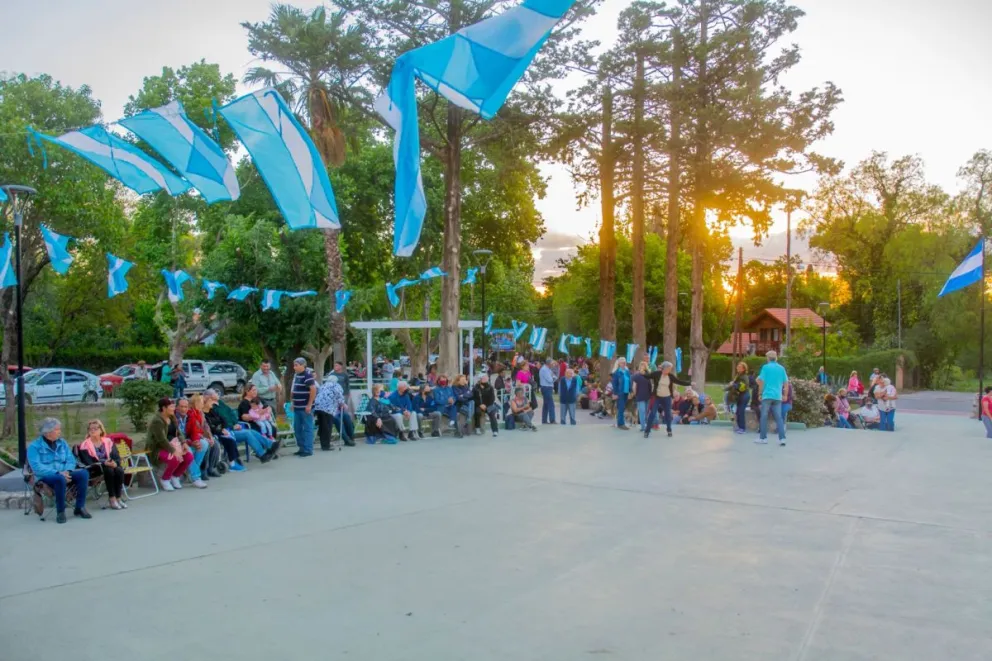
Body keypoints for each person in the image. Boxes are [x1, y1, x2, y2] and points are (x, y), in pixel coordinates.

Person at [27, 418, 91, 523]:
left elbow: (71, 459)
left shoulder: (62, 443)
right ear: (48, 432)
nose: (60, 431)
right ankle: (60, 511)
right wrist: (57, 473)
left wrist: (67, 471)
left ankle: (80, 507)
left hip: (64, 472)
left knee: (83, 474)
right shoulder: (34, 447)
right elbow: (37, 467)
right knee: (59, 479)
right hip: (46, 475)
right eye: (57, 429)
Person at [146, 397, 201, 491]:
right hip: (157, 448)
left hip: (174, 445)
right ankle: (165, 479)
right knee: (174, 458)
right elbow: (161, 440)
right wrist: (174, 451)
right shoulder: (157, 421)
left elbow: (178, 432)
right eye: (171, 407)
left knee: (189, 456)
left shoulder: (172, 417)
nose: (173, 409)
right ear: (164, 408)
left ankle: (175, 476)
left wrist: (184, 443)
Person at [77, 420, 126, 510]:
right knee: (109, 470)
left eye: (95, 428)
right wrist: (103, 463)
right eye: (90, 429)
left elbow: (116, 456)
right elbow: (88, 462)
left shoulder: (108, 442)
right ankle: (112, 498)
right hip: (95, 469)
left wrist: (115, 463)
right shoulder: (84, 445)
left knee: (119, 470)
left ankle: (118, 498)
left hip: (110, 465)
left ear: (101, 430)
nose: (92, 431)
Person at [203, 389, 247, 472]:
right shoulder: (204, 414)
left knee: (230, 438)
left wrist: (223, 428)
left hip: (220, 430)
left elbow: (223, 419)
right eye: (211, 402)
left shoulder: (212, 411)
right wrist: (220, 431)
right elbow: (209, 427)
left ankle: (234, 460)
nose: (213, 404)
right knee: (229, 440)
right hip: (213, 433)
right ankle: (232, 463)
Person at [644, 361, 691, 438]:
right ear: (664, 368)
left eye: (670, 369)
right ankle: (647, 431)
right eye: (669, 368)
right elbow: (647, 376)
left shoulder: (670, 376)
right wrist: (642, 372)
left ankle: (669, 430)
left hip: (667, 397)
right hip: (657, 397)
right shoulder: (657, 374)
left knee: (668, 414)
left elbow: (679, 381)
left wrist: (689, 383)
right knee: (652, 413)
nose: (670, 370)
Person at [236, 384, 279, 460]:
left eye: (256, 390)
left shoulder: (258, 399)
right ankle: (266, 450)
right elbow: (244, 417)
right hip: (251, 423)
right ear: (247, 391)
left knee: (272, 428)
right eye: (253, 390)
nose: (255, 392)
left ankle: (270, 450)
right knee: (260, 429)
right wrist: (258, 414)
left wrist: (268, 410)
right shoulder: (244, 403)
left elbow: (268, 407)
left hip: (261, 420)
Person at [175, 398, 211, 486]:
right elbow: (174, 434)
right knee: (189, 451)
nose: (184, 409)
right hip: (177, 442)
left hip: (188, 440)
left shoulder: (190, 415)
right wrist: (188, 442)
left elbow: (194, 430)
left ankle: (192, 472)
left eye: (186, 407)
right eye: (181, 407)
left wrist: (196, 441)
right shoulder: (173, 416)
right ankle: (196, 477)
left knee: (204, 444)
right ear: (177, 407)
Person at [314, 374, 356, 449]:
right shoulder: (336, 385)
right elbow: (340, 397)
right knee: (328, 427)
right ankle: (327, 446)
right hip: (328, 409)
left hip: (318, 408)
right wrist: (343, 404)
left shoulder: (323, 386)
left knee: (323, 426)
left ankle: (324, 445)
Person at [756, 350, 788, 446]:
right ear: (776, 358)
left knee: (764, 417)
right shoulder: (781, 368)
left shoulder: (765, 367)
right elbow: (786, 383)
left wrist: (760, 393)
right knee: (779, 417)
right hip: (777, 396)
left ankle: (763, 438)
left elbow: (760, 381)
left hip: (767, 395)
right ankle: (782, 438)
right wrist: (785, 395)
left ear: (768, 358)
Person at [187, 394, 222, 478]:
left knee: (215, 444)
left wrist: (210, 437)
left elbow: (206, 427)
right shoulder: (191, 414)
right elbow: (194, 430)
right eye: (202, 402)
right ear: (196, 403)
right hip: (192, 437)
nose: (203, 404)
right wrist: (205, 438)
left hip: (200, 436)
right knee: (206, 445)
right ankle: (203, 470)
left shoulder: (200, 413)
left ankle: (211, 467)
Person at [290, 357, 317, 457]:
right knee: (297, 428)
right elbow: (295, 390)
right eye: (294, 365)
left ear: (303, 365)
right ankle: (301, 447)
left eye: (296, 365)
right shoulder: (297, 375)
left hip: (305, 407)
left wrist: (309, 404)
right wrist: (293, 403)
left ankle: (308, 449)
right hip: (297, 407)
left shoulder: (307, 375)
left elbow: (313, 390)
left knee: (307, 428)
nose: (294, 367)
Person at [728, 362, 751, 434]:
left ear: (744, 369)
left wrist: (733, 384)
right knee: (738, 412)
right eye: (738, 366)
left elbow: (742, 387)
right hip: (741, 395)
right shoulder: (739, 375)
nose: (738, 367)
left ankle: (742, 428)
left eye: (740, 367)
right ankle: (739, 427)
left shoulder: (744, 376)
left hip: (744, 396)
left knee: (740, 412)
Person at [610, 357, 632, 430]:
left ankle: (620, 423)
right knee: (621, 408)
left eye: (625, 362)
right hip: (620, 393)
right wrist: (615, 394)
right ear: (619, 363)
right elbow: (614, 384)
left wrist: (630, 391)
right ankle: (621, 424)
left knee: (622, 408)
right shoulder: (616, 373)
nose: (624, 363)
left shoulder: (627, 371)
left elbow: (629, 382)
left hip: (626, 392)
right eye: (622, 362)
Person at [452, 374, 475, 438]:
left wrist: (463, 395)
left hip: (466, 404)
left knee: (472, 402)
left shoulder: (465, 386)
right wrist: (466, 395)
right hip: (459, 405)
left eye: (464, 380)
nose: (464, 381)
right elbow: (459, 398)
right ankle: (469, 419)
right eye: (462, 380)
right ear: (458, 381)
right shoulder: (454, 387)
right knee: (470, 409)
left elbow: (471, 394)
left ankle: (469, 418)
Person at [631, 363, 652, 432]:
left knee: (645, 412)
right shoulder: (636, 376)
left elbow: (650, 386)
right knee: (642, 411)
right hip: (640, 396)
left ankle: (645, 425)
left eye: (643, 366)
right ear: (639, 367)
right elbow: (634, 386)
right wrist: (635, 394)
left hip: (647, 396)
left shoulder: (648, 375)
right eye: (641, 366)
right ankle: (643, 426)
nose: (642, 367)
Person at [538, 359, 557, 425]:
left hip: (548, 387)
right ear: (548, 364)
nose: (553, 365)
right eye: (552, 364)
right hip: (546, 387)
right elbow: (550, 379)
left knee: (546, 405)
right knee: (551, 404)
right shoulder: (544, 369)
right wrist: (553, 378)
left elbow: (555, 377)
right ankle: (552, 420)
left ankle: (544, 420)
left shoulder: (548, 369)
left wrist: (553, 378)